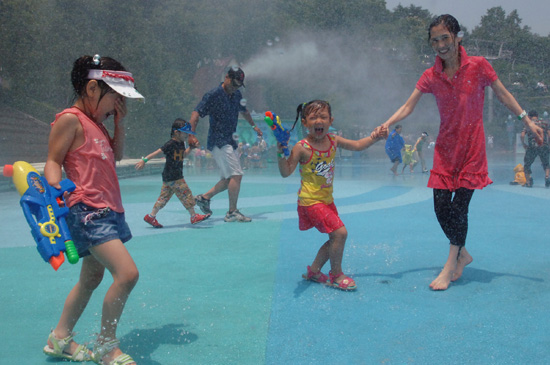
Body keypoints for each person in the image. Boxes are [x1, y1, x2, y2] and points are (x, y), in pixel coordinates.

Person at [379, 14, 544, 291]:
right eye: (435, 40)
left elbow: (503, 94)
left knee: (459, 207)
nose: (441, 45)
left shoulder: (479, 66)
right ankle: (463, 253)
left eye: (445, 38)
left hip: (472, 147)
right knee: (440, 207)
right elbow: (409, 106)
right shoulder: (431, 76)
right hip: (445, 148)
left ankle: (450, 263)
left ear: (457, 37)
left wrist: (526, 120)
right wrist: (387, 123)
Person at [43, 55, 143, 364]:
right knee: (127, 274)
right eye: (114, 96)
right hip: (87, 211)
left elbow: (115, 156)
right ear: (91, 88)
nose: (117, 103)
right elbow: (53, 161)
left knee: (91, 280)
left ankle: (60, 338)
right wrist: (56, 198)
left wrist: (119, 124)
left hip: (109, 209)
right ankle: (106, 345)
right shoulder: (70, 119)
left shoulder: (97, 124)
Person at [277, 100, 387, 291]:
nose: (318, 121)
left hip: (327, 201)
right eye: (313, 118)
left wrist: (375, 137)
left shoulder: (334, 140)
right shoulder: (301, 147)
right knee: (340, 233)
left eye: (323, 117)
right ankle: (336, 275)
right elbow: (286, 172)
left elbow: (359, 145)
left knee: (334, 238)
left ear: (330, 120)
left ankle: (314, 270)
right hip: (310, 201)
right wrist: (280, 152)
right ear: (305, 122)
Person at [188, 67, 262, 222]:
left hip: (231, 141)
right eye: (234, 83)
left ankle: (204, 197)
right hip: (219, 140)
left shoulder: (236, 94)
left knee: (229, 179)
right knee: (237, 174)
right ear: (226, 77)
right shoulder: (213, 95)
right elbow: (196, 114)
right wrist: (191, 134)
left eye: (238, 85)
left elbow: (244, 110)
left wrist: (254, 125)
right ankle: (232, 212)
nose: (235, 88)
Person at [135, 119, 211, 227]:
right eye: (185, 133)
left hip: (169, 177)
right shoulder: (170, 144)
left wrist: (191, 148)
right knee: (186, 194)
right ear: (176, 132)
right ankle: (193, 216)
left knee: (163, 198)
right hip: (174, 176)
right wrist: (144, 160)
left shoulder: (181, 143)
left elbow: (182, 155)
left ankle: (151, 217)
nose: (186, 135)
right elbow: (157, 152)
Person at [520, 110, 550, 188]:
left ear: (529, 116)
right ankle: (547, 177)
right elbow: (549, 134)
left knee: (527, 164)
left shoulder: (529, 124)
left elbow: (522, 135)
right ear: (537, 115)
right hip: (543, 145)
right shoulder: (544, 123)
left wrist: (524, 144)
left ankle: (529, 181)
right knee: (546, 163)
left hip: (532, 147)